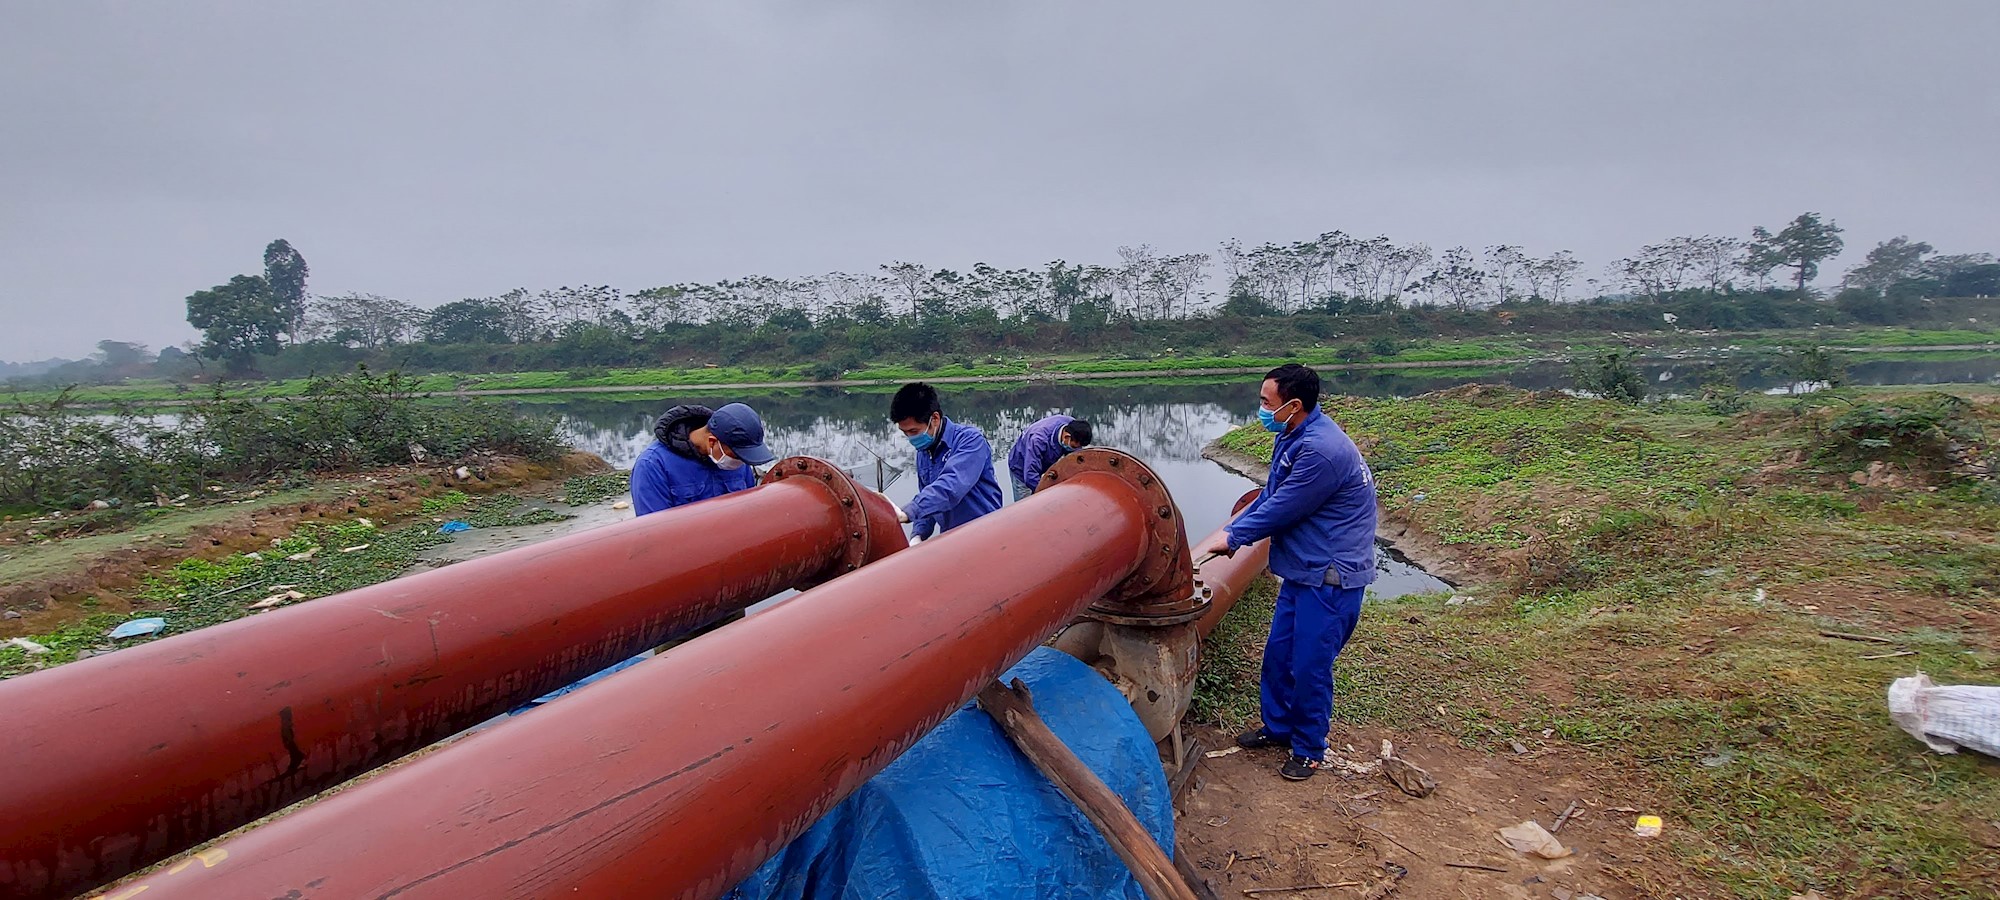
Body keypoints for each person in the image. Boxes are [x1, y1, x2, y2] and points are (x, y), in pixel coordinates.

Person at [1196, 364, 1377, 781]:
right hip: (1304, 569)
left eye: (1266, 403)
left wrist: (1233, 538)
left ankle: (1310, 748)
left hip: (1331, 575)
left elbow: (1283, 508)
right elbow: (1272, 494)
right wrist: (1232, 529)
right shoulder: (1295, 433)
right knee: (1280, 655)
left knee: (1310, 664)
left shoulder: (1321, 450)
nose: (1260, 409)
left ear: (1293, 405)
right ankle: (1278, 728)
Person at [889, 382, 1003, 541]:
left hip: (986, 534)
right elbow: (928, 497)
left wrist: (909, 511)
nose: (911, 438)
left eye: (914, 431)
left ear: (935, 418)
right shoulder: (924, 452)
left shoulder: (969, 441)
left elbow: (951, 486)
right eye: (905, 433)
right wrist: (918, 535)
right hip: (951, 540)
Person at [629, 402, 776, 515]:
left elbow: (749, 510)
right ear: (712, 442)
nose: (741, 462)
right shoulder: (653, 465)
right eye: (737, 456)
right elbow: (652, 531)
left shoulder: (738, 458)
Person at [1007, 415, 1092, 502]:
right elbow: (1030, 475)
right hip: (1020, 467)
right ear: (1067, 437)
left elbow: (1075, 457)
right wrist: (1049, 496)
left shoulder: (1073, 426)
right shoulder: (1038, 440)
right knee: (1025, 506)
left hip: (1042, 460)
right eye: (1073, 446)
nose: (1075, 449)